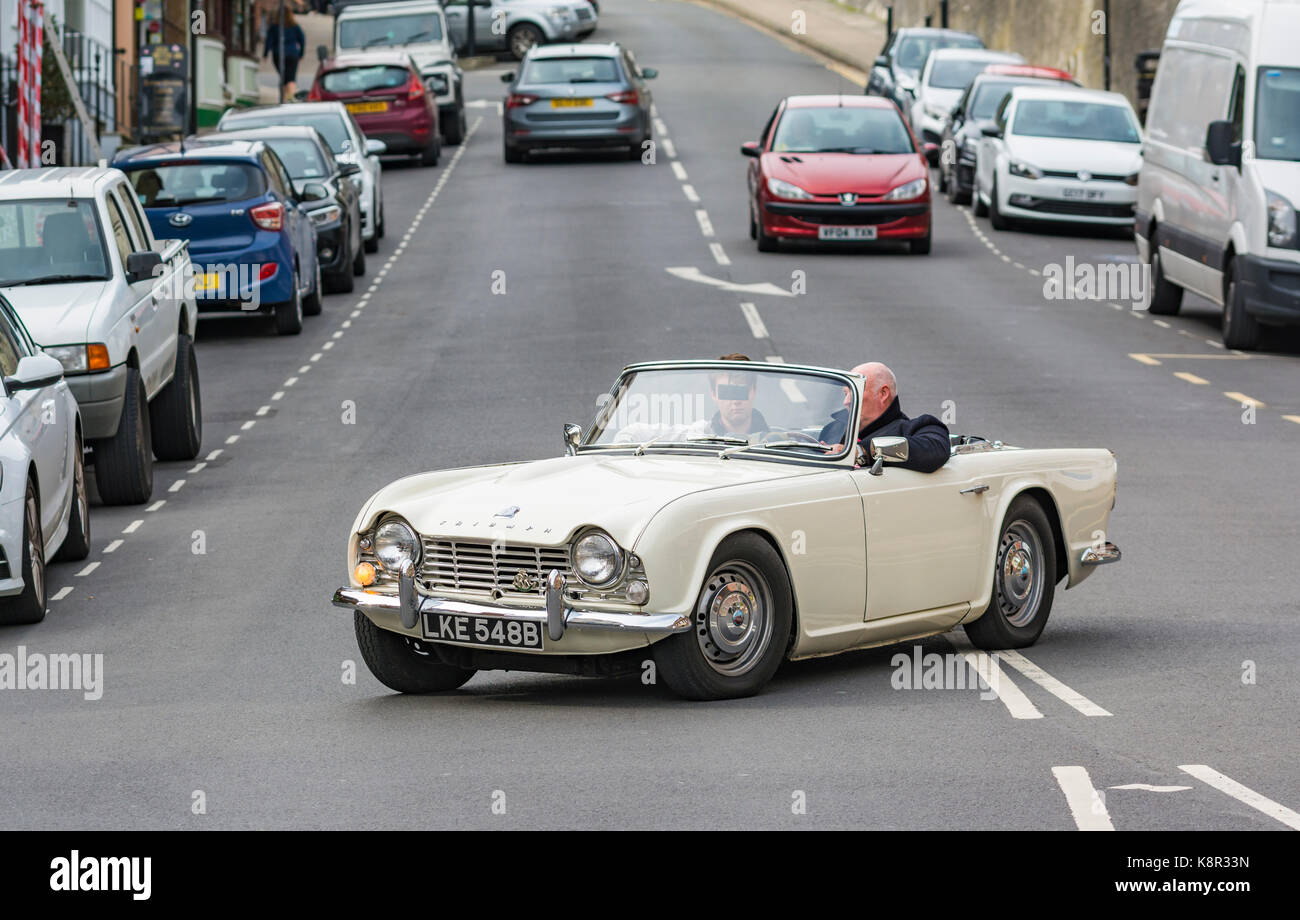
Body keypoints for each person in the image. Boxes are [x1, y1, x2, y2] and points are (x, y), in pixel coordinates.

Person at [819, 362, 950, 472]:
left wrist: (862, 451)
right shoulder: (832, 429)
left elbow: (935, 449)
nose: (846, 402)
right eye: (845, 393)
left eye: (855, 392)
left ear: (883, 393)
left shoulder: (914, 429)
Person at [695, 353, 771, 437]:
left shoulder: (779, 440)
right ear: (714, 394)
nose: (736, 401)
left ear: (754, 391)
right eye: (727, 392)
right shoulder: (696, 436)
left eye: (742, 391)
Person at [265, 7, 306, 102]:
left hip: (278, 54)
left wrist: (265, 53)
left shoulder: (274, 27)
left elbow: (269, 41)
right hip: (292, 54)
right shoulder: (295, 26)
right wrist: (301, 54)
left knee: (284, 77)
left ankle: (284, 99)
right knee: (291, 77)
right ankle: (290, 99)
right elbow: (302, 40)